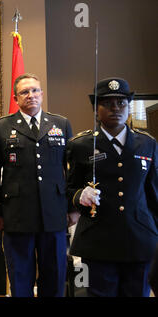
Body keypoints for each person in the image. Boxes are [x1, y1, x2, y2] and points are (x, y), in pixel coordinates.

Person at [67, 77, 158, 297]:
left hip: (139, 241)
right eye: (107, 103)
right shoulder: (80, 145)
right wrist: (80, 194)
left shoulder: (147, 143)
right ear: (96, 108)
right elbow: (66, 189)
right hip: (96, 242)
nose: (115, 108)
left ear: (128, 106)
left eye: (121, 103)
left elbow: (154, 193)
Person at [0, 73, 73, 297]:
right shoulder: (1, 127)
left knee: (54, 277)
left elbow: (71, 171)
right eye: (25, 92)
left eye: (35, 90)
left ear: (42, 94)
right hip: (16, 215)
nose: (31, 95)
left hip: (54, 214)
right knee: (20, 278)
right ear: (16, 98)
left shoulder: (60, 124)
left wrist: (73, 207)